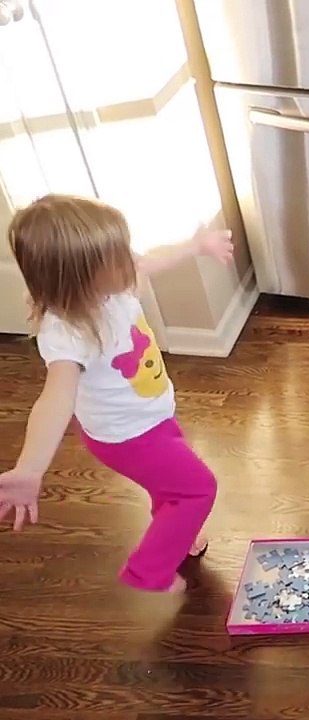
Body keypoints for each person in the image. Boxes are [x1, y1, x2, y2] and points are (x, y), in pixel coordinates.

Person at [0, 194, 235, 593]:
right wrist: (30, 469)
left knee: (170, 486)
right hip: (127, 438)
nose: (131, 259)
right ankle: (149, 571)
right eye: (118, 257)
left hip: (152, 417)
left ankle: (178, 531)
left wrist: (196, 246)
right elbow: (54, 402)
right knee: (198, 487)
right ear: (82, 276)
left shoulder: (117, 288)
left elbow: (151, 262)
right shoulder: (69, 333)